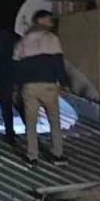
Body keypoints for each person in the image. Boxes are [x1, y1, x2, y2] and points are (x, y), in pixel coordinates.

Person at [13, 9, 69, 166]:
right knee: (54, 121)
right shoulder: (52, 39)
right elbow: (58, 63)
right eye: (48, 19)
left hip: (29, 86)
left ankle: (32, 156)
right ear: (40, 20)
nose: (51, 22)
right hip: (48, 85)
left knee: (31, 122)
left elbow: (16, 65)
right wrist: (64, 83)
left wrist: (18, 84)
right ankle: (57, 154)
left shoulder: (23, 40)